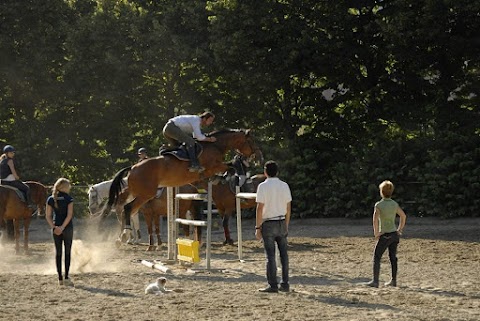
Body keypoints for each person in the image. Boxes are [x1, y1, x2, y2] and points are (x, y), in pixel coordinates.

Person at [255, 160, 292, 293]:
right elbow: (288, 207)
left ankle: (273, 285)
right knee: (284, 255)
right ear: (277, 172)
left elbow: (260, 208)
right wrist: (286, 224)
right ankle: (285, 283)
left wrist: (257, 227)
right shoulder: (284, 185)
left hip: (268, 223)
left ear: (265, 172)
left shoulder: (262, 187)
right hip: (281, 221)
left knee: (270, 255)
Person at [367, 180, 407, 288]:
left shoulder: (379, 205)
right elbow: (403, 216)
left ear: (381, 192)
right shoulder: (394, 204)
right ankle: (393, 280)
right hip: (394, 234)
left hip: (385, 234)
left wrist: (376, 232)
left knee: (377, 256)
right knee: (393, 257)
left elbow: (375, 220)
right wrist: (399, 229)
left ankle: (375, 281)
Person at [45, 178, 74, 286]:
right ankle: (66, 277)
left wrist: (54, 227)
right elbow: (69, 215)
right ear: (64, 187)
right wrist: (62, 228)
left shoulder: (51, 199)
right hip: (67, 228)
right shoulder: (69, 199)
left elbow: (48, 216)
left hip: (55, 227)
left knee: (58, 253)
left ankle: (60, 278)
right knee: (67, 252)